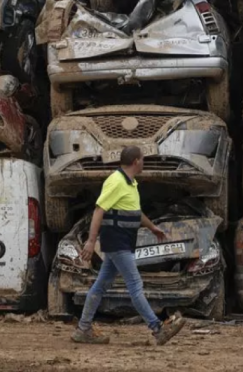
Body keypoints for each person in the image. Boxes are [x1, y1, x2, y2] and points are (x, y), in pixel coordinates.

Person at [71, 145, 186, 345]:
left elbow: (135, 212)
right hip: (117, 242)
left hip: (123, 241)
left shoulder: (131, 183)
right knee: (135, 285)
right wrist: (90, 241)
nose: (144, 163)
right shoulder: (115, 181)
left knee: (100, 286)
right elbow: (99, 210)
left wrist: (152, 228)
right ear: (136, 161)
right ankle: (158, 329)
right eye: (143, 159)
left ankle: (83, 328)